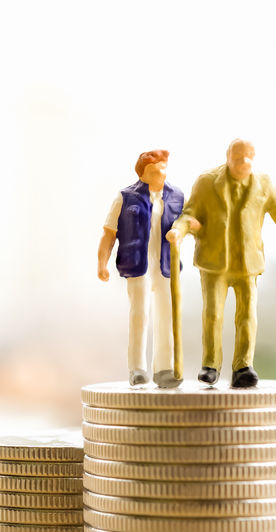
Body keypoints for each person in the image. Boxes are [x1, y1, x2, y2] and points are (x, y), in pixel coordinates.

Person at [167, 139, 276, 388]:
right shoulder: (206, 182)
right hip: (214, 261)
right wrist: (179, 230)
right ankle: (210, 365)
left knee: (247, 316)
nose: (244, 162)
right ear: (228, 157)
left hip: (247, 263)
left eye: (249, 156)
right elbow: (190, 213)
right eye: (238, 157)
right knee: (212, 315)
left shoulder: (264, 183)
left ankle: (243, 366)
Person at [97, 150, 185, 388]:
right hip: (138, 264)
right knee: (139, 315)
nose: (161, 173)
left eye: (164, 168)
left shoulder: (177, 195)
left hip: (166, 265)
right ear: (143, 173)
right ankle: (137, 368)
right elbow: (109, 233)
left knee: (167, 316)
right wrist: (102, 263)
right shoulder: (125, 196)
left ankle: (165, 368)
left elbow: (188, 224)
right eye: (155, 170)